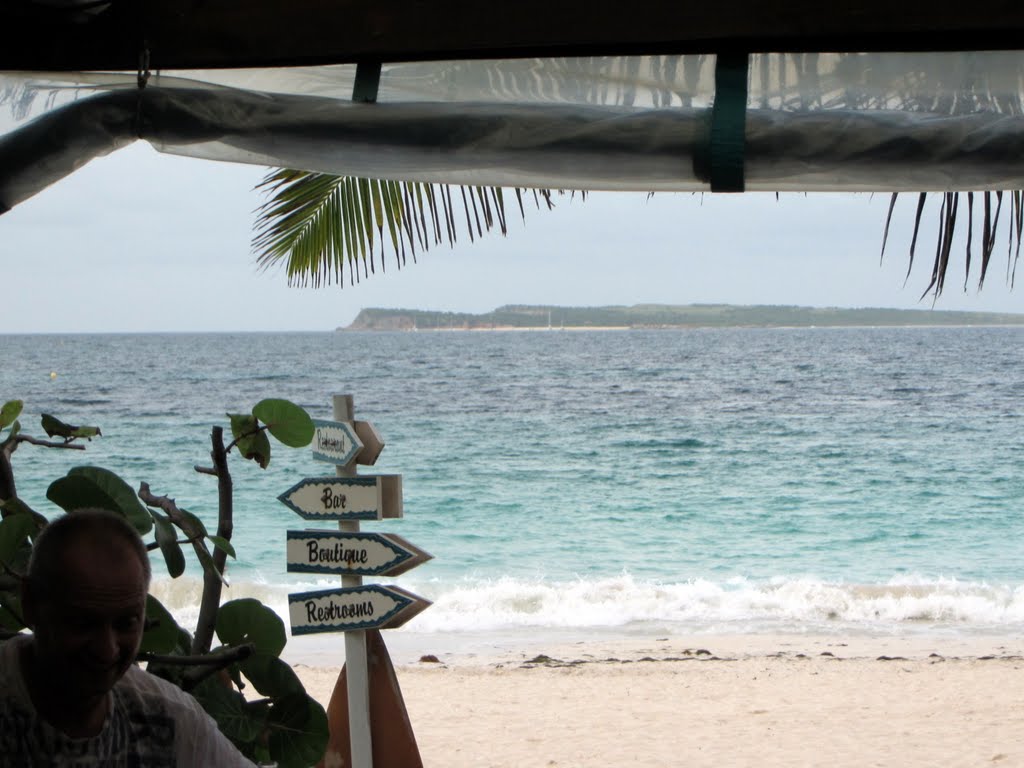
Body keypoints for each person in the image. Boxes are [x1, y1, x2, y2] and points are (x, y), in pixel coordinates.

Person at [0, 508, 257, 767]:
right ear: (30, 603)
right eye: (82, 623)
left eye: (126, 624)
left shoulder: (167, 717)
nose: (107, 650)